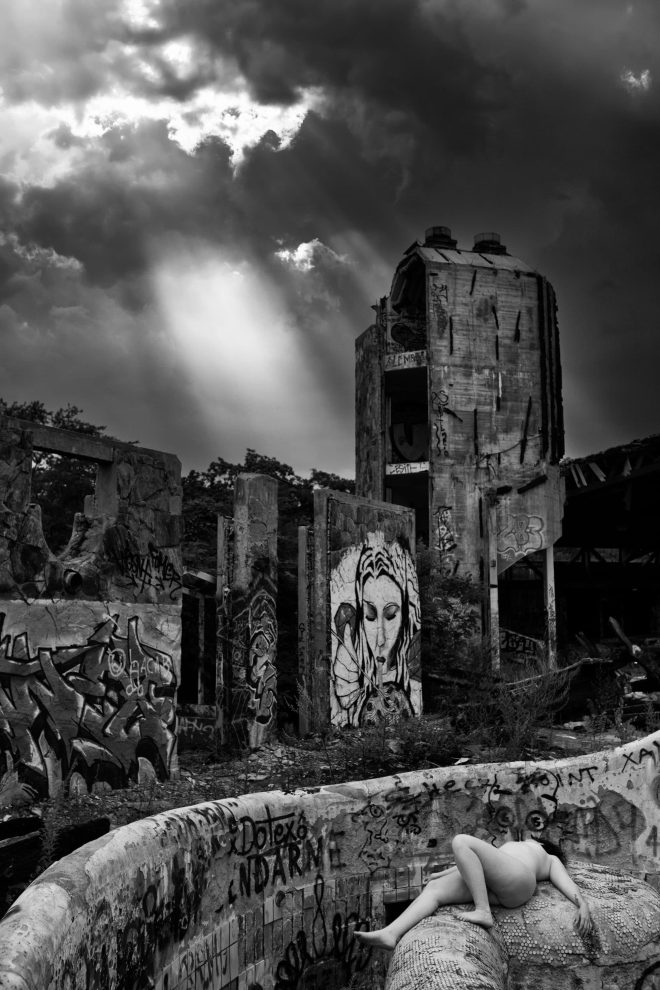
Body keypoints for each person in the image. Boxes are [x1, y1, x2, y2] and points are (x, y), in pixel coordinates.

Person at [354, 834, 592, 949]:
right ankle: (391, 933)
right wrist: (447, 874)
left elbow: (565, 881)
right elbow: (478, 865)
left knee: (461, 841)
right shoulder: (511, 852)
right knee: (435, 889)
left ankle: (483, 911)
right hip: (500, 887)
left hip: (519, 883)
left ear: (539, 842)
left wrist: (582, 904)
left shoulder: (546, 855)